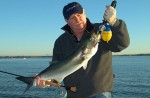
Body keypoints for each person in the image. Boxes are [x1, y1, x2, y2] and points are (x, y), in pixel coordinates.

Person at [35, 2, 130, 98]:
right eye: (72, 17)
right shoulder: (60, 42)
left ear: (84, 13)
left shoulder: (100, 30)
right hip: (73, 95)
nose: (77, 19)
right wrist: (45, 81)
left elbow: (121, 44)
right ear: (66, 21)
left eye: (79, 14)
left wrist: (114, 22)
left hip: (100, 93)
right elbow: (56, 70)